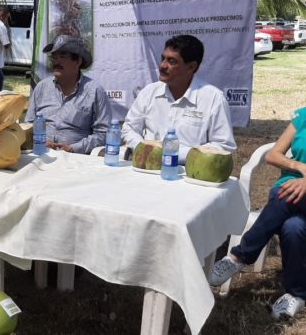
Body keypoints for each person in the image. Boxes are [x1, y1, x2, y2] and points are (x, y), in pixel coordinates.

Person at [207, 109, 306, 320]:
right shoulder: (303, 117)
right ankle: (296, 295)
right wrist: (298, 166)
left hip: (287, 196)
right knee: (293, 227)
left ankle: (239, 256)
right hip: (289, 192)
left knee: (283, 197)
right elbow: (273, 155)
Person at [122, 35, 236, 163]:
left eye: (172, 61)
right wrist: (144, 148)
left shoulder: (213, 98)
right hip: (146, 167)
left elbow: (224, 146)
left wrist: (174, 154)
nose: (162, 66)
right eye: (163, 58)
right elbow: (129, 128)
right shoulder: (149, 92)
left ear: (191, 67)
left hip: (189, 173)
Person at [25, 35, 110, 154]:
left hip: (76, 160)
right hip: (41, 154)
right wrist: (38, 140)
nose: (56, 61)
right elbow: (28, 125)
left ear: (78, 62)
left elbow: (103, 134)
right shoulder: (41, 87)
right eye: (54, 57)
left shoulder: (94, 91)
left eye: (62, 56)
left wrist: (74, 148)